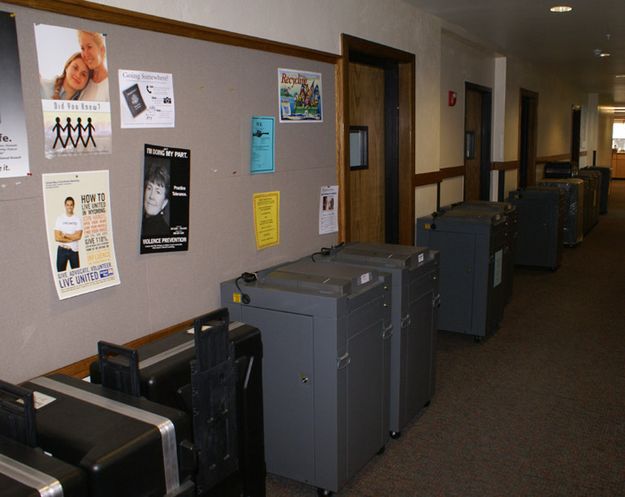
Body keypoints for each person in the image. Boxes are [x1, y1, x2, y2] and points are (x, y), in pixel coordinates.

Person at [77, 31, 109, 101]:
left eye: (89, 47)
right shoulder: (85, 83)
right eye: (82, 48)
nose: (86, 54)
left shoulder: (110, 84)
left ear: (102, 50)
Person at [142, 162, 170, 238]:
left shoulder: (163, 232)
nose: (151, 196)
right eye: (149, 188)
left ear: (164, 203)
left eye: (158, 192)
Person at [54, 196, 83, 272]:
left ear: (73, 206)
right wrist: (72, 238)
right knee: (61, 274)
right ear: (65, 205)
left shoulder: (77, 219)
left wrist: (66, 235)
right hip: (62, 250)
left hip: (73, 251)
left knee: (77, 274)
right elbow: (57, 237)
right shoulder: (60, 218)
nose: (69, 207)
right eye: (67, 205)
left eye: (71, 205)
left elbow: (78, 236)